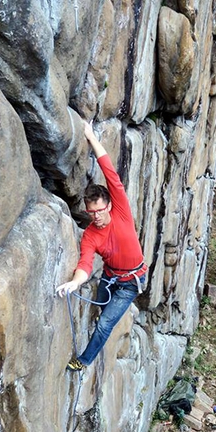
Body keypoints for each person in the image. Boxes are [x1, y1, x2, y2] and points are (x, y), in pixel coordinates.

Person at [56, 120, 148, 371]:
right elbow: (85, 262)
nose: (95, 216)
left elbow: (109, 171)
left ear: (108, 205)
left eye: (99, 210)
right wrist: (76, 282)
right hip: (109, 277)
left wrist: (90, 136)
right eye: (91, 212)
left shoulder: (121, 209)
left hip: (131, 282)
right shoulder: (90, 235)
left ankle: (83, 361)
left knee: (105, 324)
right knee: (101, 312)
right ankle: (101, 319)